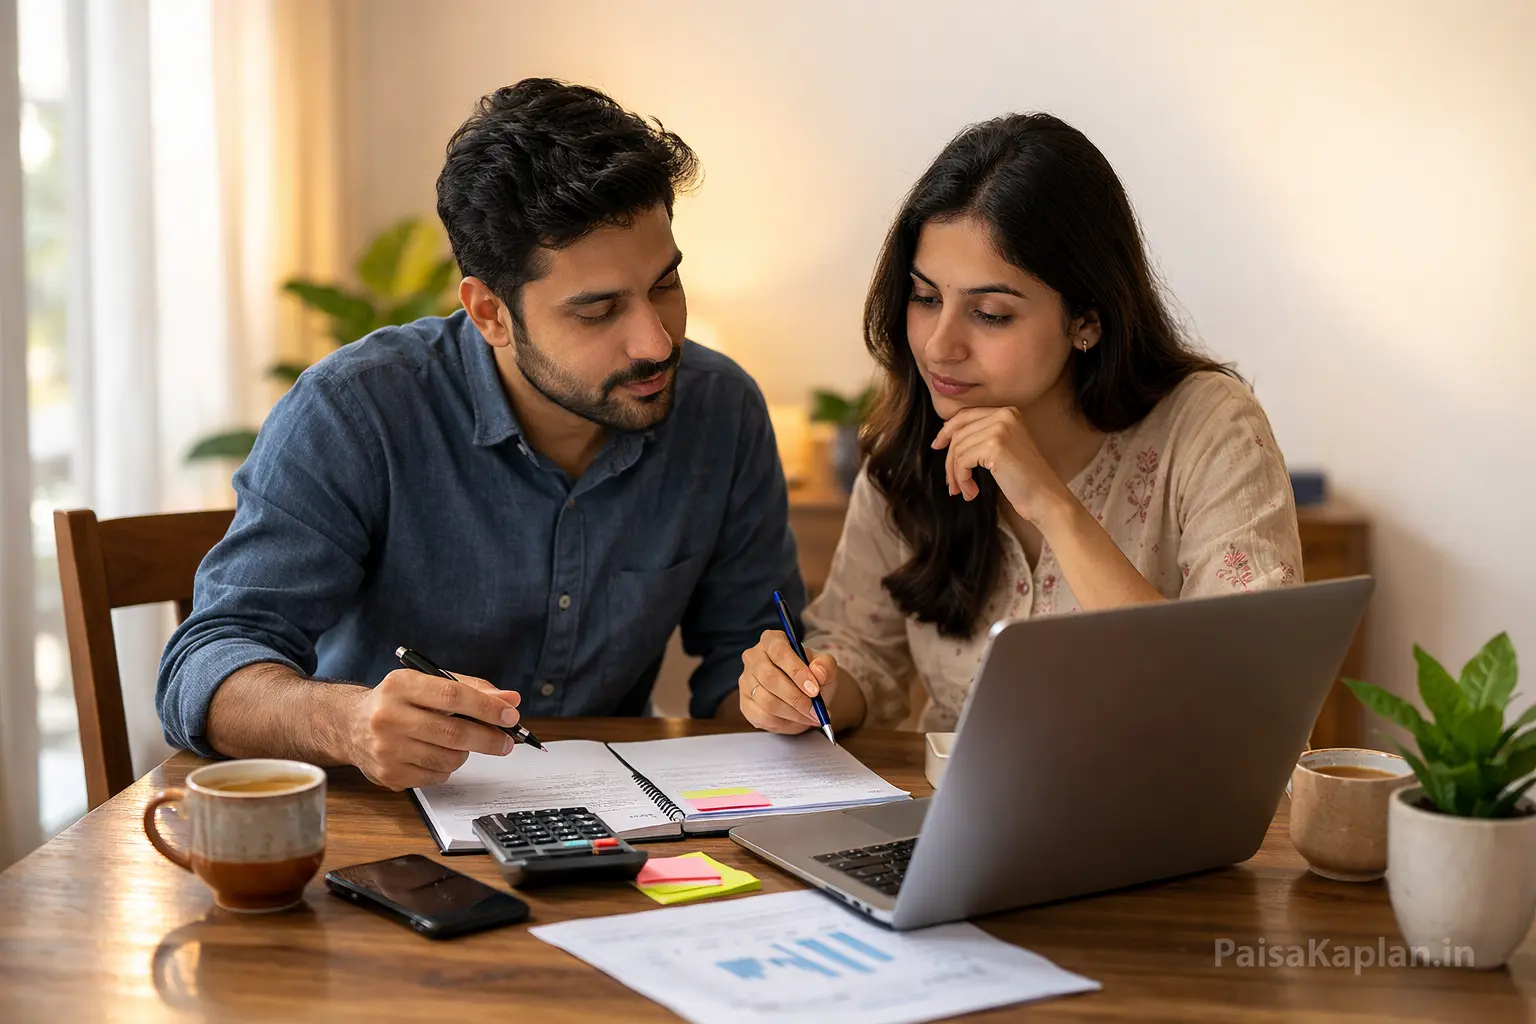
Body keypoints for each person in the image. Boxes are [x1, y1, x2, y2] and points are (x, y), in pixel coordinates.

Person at [157, 79, 805, 789]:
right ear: (490, 313)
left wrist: (776, 691)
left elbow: (743, 665)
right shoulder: (356, 411)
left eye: (665, 286)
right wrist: (348, 721)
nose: (655, 342)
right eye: (598, 310)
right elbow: (205, 664)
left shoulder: (723, 410)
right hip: (381, 835)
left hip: (622, 830)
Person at [736, 112, 1302, 736]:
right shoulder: (908, 449)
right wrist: (806, 690)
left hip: (1158, 821)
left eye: (991, 314)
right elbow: (861, 656)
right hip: (953, 821)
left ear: (1086, 319)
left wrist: (1054, 506)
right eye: (926, 299)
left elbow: (1242, 703)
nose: (939, 346)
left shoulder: (1210, 430)